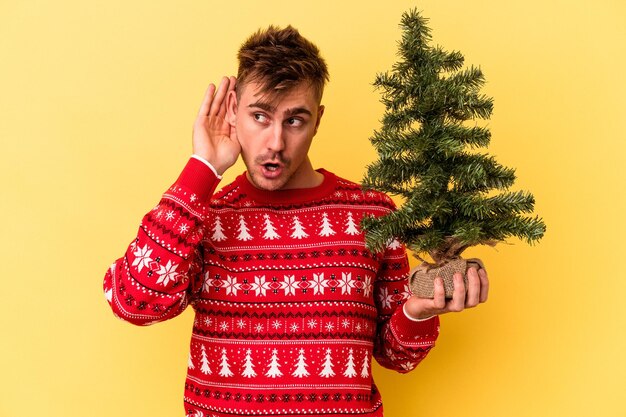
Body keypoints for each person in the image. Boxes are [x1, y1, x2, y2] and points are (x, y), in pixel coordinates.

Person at [103, 25, 488, 417]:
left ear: (317, 120)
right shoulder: (205, 216)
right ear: (233, 111)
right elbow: (133, 301)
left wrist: (416, 313)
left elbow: (396, 356)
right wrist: (204, 168)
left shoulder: (372, 214)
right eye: (259, 116)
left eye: (294, 121)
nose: (275, 143)